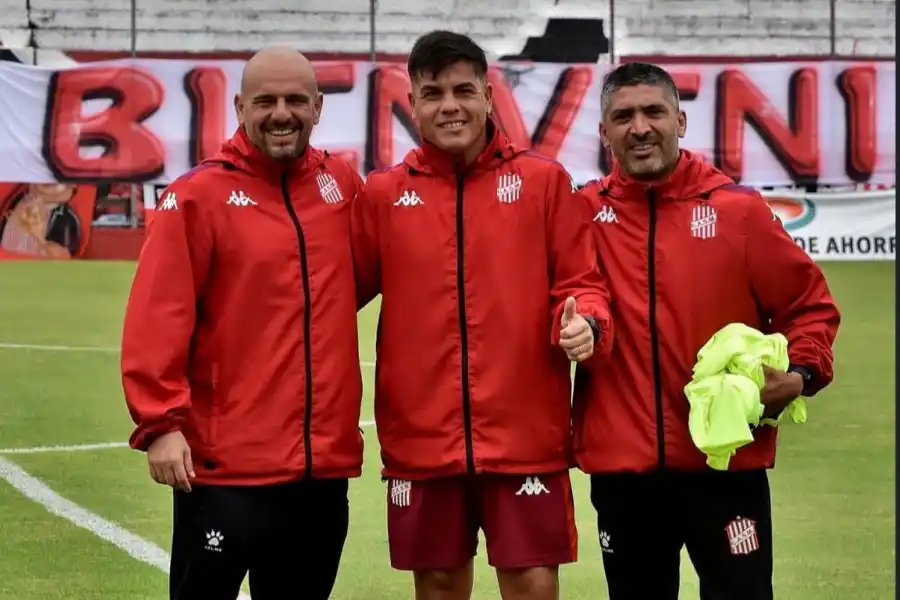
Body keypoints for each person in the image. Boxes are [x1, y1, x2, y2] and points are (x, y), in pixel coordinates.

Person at [351, 30, 614, 600]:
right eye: (433, 93)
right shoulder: (383, 196)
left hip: (525, 434)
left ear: (489, 95)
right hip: (422, 438)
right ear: (413, 103)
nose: (450, 106)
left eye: (463, 90)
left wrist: (586, 324)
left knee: (533, 584)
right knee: (439, 583)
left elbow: (583, 284)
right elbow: (329, 296)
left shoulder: (544, 183)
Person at [576, 62, 842, 600]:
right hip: (624, 474)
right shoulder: (581, 214)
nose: (640, 128)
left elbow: (809, 307)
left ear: (680, 121)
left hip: (726, 465)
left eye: (654, 112)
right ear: (604, 132)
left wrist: (800, 374)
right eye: (623, 117)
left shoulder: (738, 212)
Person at [120, 47, 364, 600]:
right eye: (265, 101)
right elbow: (157, 316)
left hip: (320, 473)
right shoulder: (197, 196)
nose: (282, 113)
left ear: (318, 107)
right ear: (239, 107)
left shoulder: (341, 185)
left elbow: (364, 277)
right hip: (225, 471)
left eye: (296, 100)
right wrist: (160, 424)